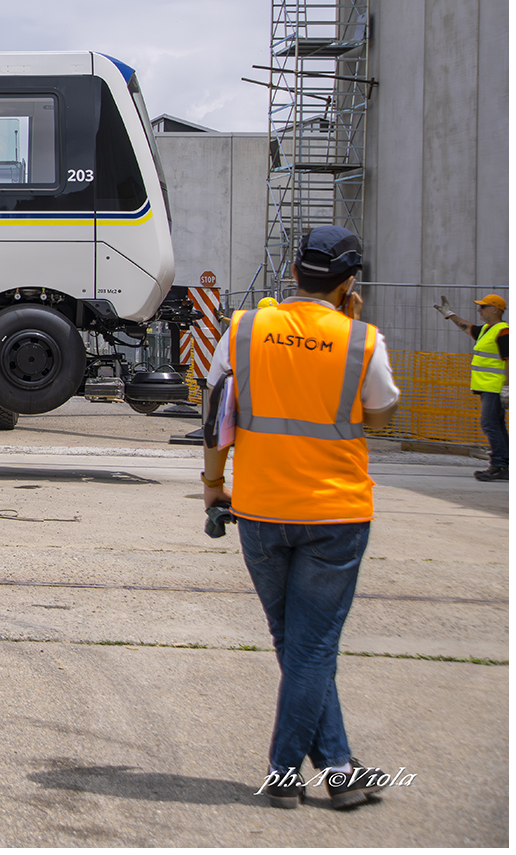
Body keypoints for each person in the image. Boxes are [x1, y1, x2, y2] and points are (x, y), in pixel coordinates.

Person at [201, 226, 400, 811]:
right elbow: (381, 414)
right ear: (349, 282)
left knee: (295, 643)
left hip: (261, 510)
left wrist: (213, 488)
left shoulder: (243, 330)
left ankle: (339, 768)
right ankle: (286, 773)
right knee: (312, 649)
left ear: (293, 272)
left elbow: (216, 418)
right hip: (335, 514)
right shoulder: (361, 339)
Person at [438, 293, 507, 482]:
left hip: (495, 388)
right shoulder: (487, 329)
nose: (479, 310)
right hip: (488, 387)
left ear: (495, 309)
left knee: (490, 424)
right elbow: (468, 327)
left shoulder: (503, 331)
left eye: (483, 307)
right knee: (497, 425)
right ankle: (504, 464)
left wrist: (507, 388)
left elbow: (510, 360)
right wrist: (450, 315)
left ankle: (500, 465)